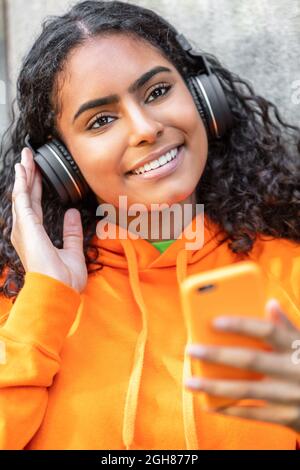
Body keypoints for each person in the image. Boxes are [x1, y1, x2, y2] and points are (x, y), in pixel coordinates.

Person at [0, 0, 299, 450]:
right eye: (101, 120)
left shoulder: (286, 269)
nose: (144, 128)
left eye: (157, 92)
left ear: (203, 100)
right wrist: (45, 299)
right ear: (62, 163)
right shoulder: (19, 298)